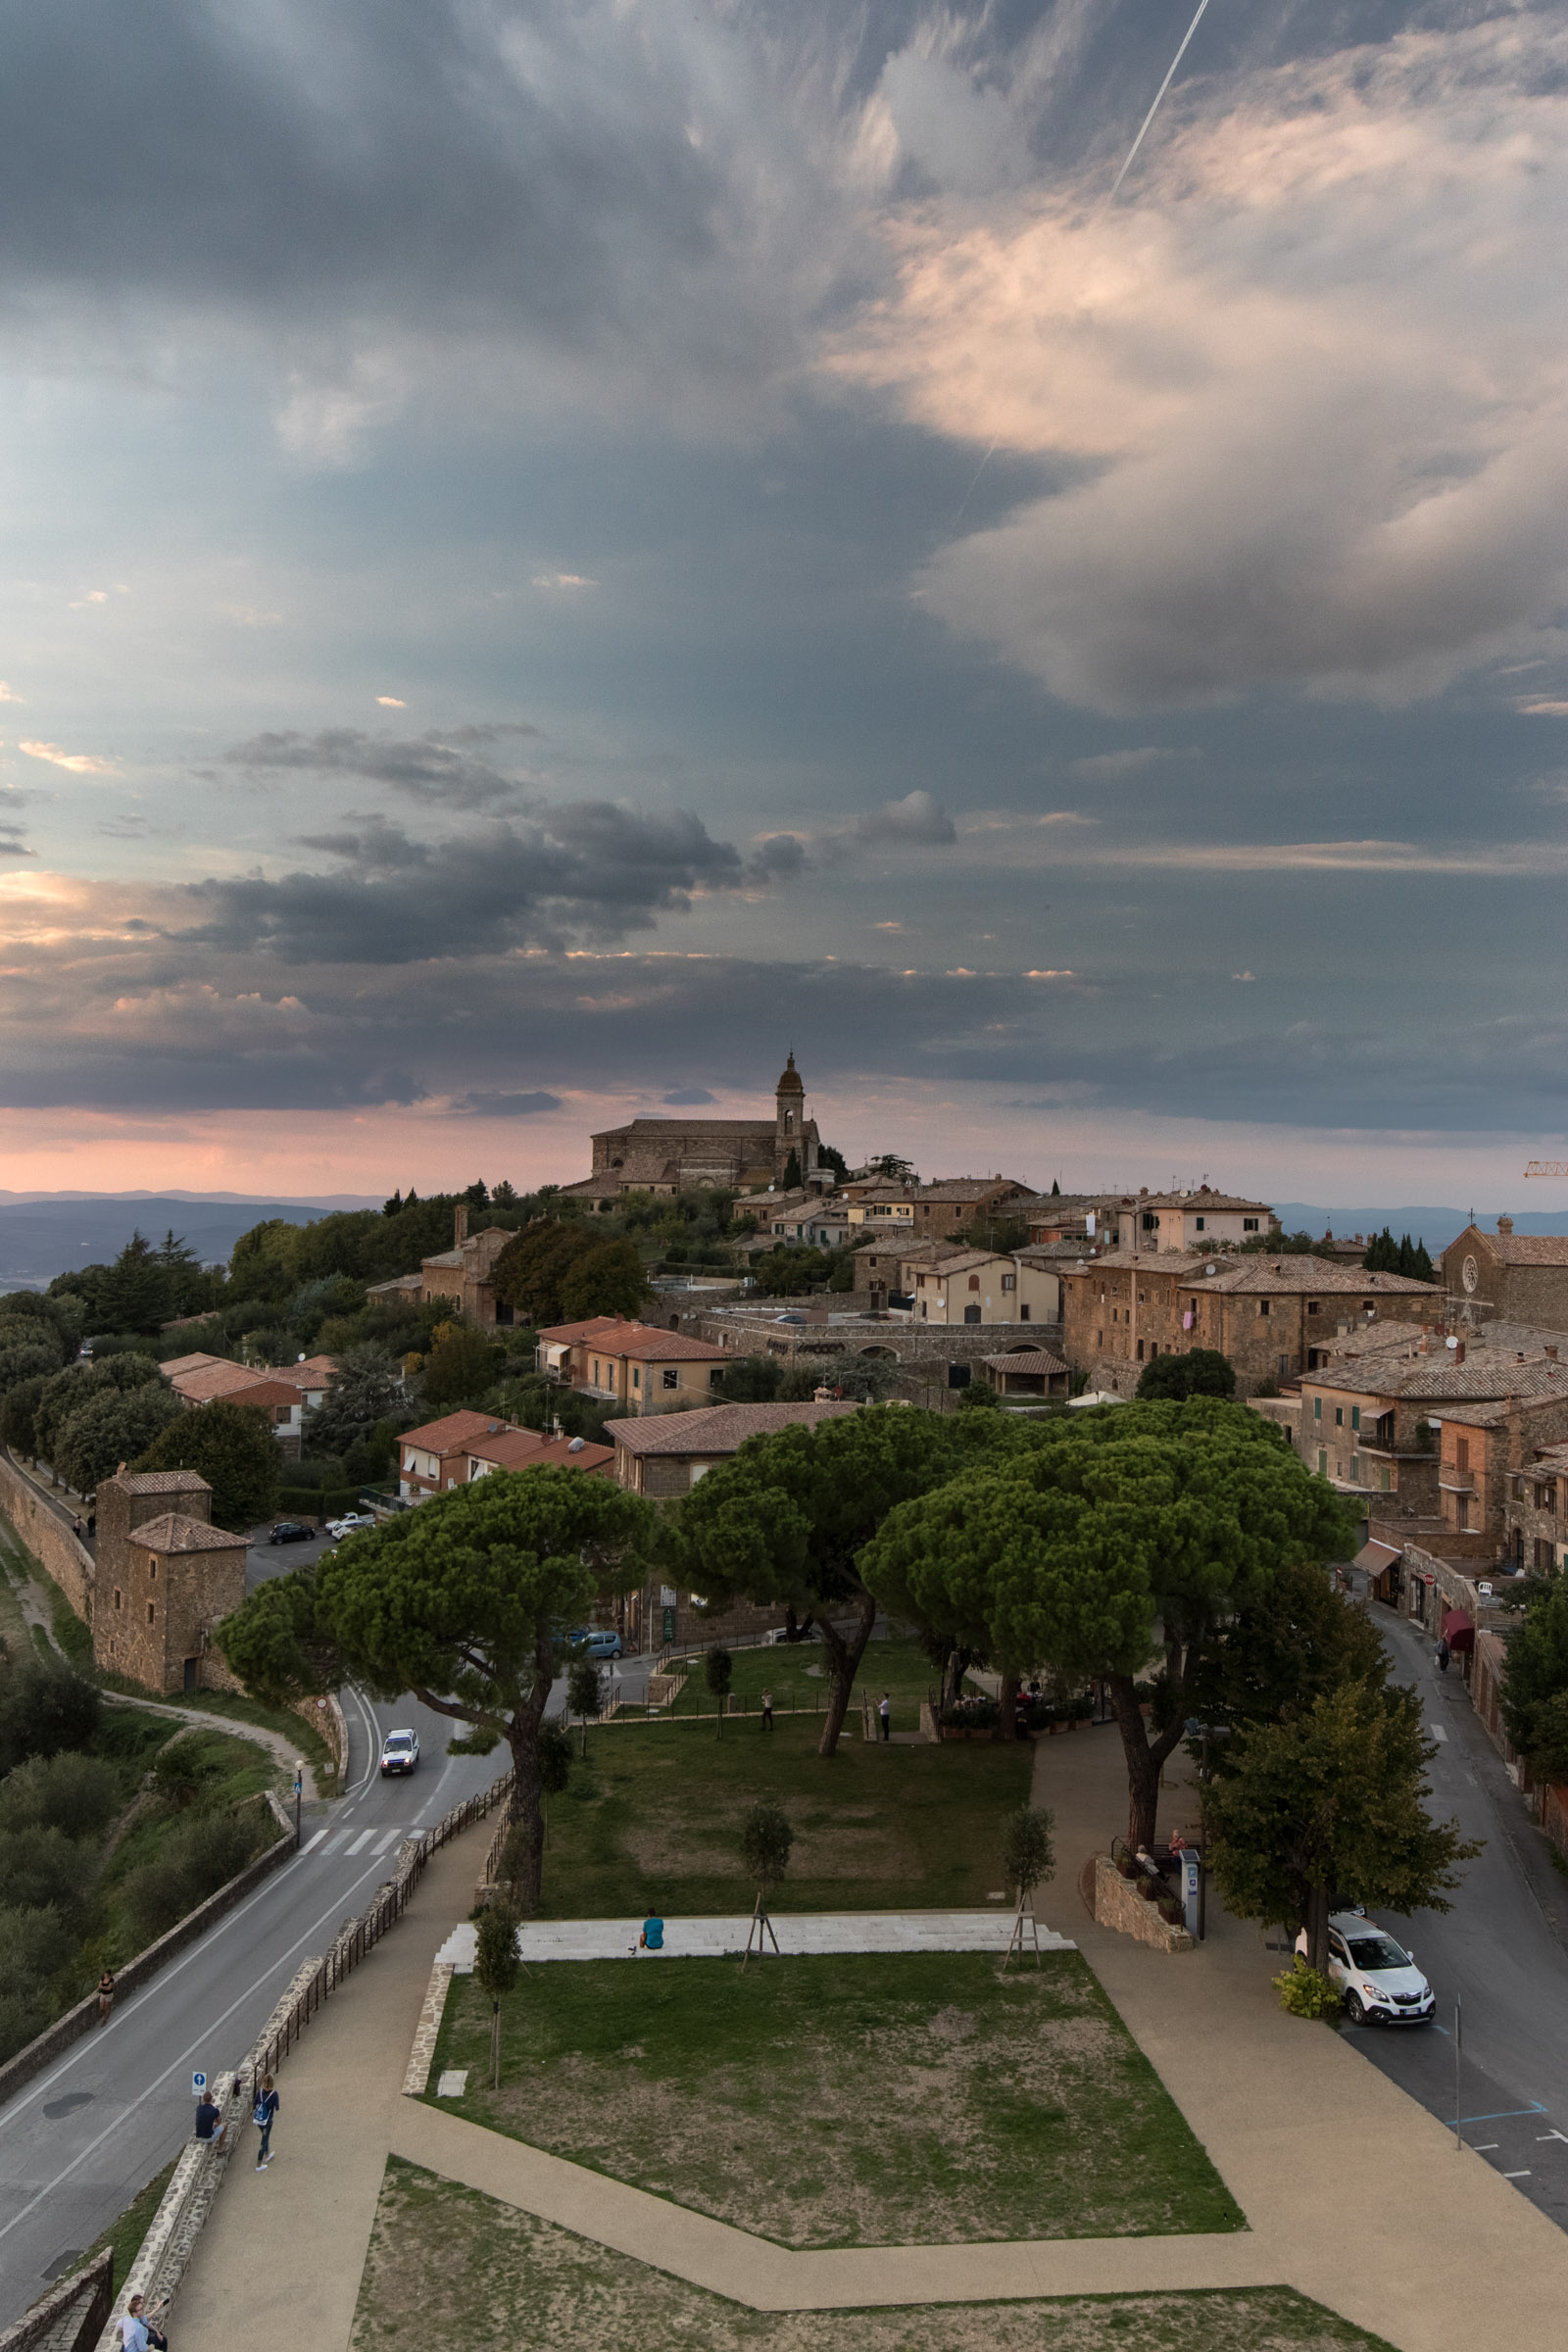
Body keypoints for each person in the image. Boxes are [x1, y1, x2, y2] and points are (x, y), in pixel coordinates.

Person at [253, 2073, 279, 2169]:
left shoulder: (259, 2092)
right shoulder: (274, 2094)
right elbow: (277, 2108)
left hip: (259, 2120)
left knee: (265, 2135)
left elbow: (254, 2103)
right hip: (267, 2121)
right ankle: (258, 2164)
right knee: (264, 2140)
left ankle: (267, 2154)